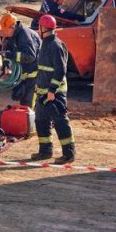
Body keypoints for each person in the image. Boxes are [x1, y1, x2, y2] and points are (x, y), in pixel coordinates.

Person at [32, 14, 75, 163]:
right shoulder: (45, 43)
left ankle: (69, 154)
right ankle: (45, 151)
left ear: (43, 28)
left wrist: (51, 90)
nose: (38, 30)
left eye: (39, 27)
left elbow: (60, 70)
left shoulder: (56, 45)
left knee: (60, 121)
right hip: (43, 93)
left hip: (54, 94)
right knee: (41, 121)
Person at [0, 13, 41, 107]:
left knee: (30, 104)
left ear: (12, 27)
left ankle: (33, 121)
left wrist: (11, 55)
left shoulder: (24, 36)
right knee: (23, 101)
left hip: (35, 74)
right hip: (25, 73)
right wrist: (6, 64)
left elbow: (30, 56)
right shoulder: (14, 34)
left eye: (6, 30)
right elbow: (8, 50)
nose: (5, 33)